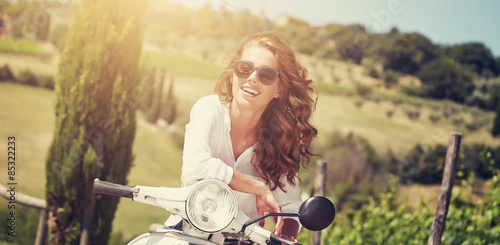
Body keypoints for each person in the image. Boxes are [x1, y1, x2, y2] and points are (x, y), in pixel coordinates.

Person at [180, 31, 318, 243]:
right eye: (245, 68)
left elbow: (290, 206)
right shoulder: (208, 108)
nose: (252, 78)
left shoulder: (280, 140)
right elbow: (195, 166)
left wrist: (286, 235)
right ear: (233, 74)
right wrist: (258, 188)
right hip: (184, 232)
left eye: (266, 75)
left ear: (279, 90)